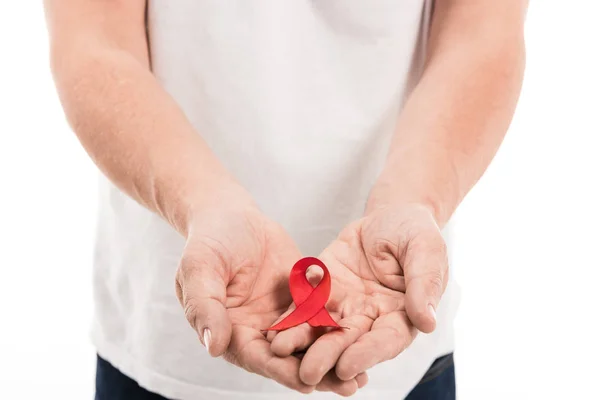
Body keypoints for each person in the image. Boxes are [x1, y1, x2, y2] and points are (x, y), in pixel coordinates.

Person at [44, 0, 527, 399]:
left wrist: (412, 201)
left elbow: (483, 34)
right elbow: (95, 43)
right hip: (164, 336)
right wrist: (205, 206)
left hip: (400, 328)